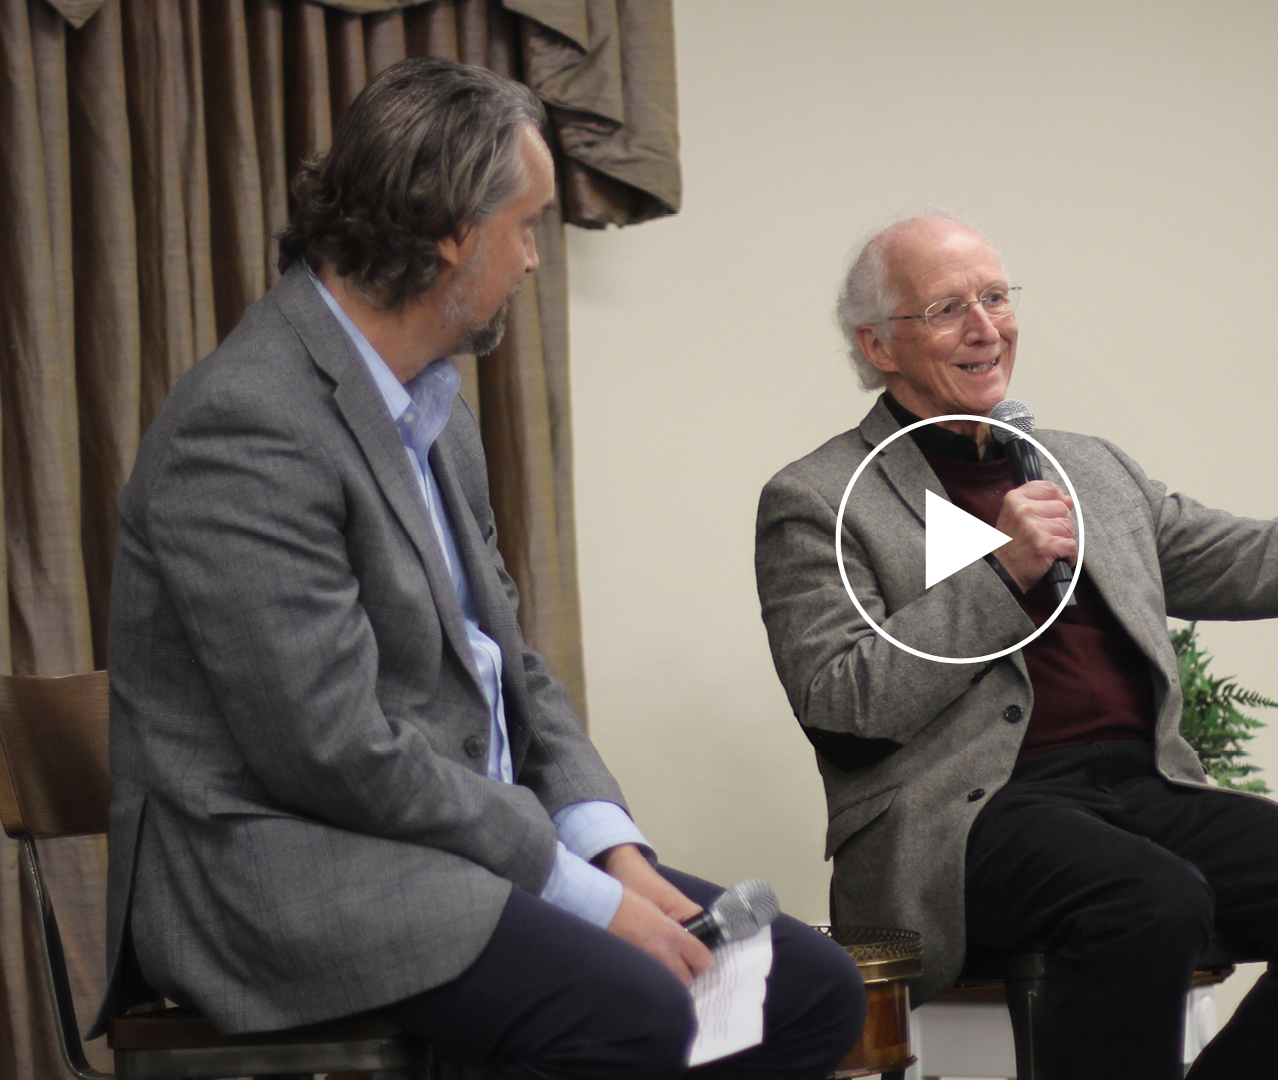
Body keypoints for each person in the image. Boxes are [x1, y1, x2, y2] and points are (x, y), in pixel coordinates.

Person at [96, 58, 863, 1080]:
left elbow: (512, 667)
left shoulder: (433, 407)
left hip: (444, 844)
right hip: (287, 866)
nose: (534, 259)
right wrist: (581, 895)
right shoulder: (247, 423)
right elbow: (326, 747)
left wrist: (613, 853)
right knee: (629, 1009)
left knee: (807, 986)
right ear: (451, 230)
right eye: (526, 225)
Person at [754, 212, 1278, 1080]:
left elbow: (1268, 560)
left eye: (996, 297)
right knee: (1149, 899)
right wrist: (1003, 573)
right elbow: (843, 706)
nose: (987, 328)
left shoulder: (1088, 470)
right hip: (974, 817)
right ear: (879, 344)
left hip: (1139, 785)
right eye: (947, 308)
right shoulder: (821, 498)